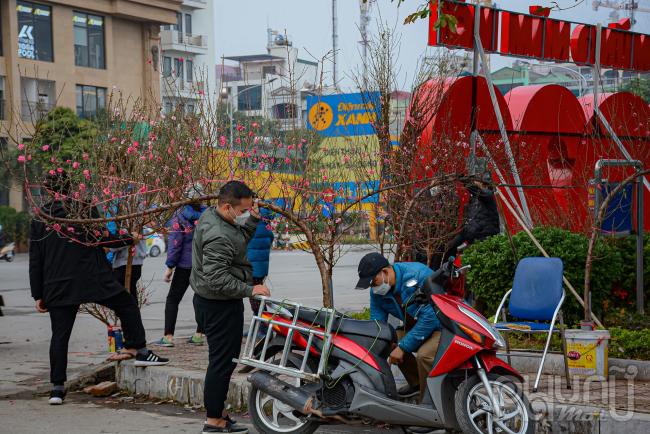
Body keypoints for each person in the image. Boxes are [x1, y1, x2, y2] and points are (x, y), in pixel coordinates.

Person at [29, 171, 169, 406]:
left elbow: (36, 259)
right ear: (70, 187)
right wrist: (128, 239)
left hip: (58, 284)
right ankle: (140, 349)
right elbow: (101, 238)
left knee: (60, 336)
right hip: (92, 278)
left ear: (47, 191)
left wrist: (39, 294)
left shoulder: (39, 218)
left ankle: (57, 388)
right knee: (126, 304)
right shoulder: (83, 208)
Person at [190, 180, 270, 434]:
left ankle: (218, 412)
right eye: (243, 210)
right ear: (227, 207)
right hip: (218, 306)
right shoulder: (217, 234)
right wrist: (250, 289)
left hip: (215, 302)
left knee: (222, 361)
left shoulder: (216, 217)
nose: (245, 213)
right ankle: (213, 420)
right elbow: (217, 279)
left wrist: (253, 221)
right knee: (221, 363)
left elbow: (237, 242)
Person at [355, 252, 442, 402]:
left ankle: (430, 400)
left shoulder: (417, 275)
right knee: (387, 343)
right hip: (417, 326)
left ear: (386, 272)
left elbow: (430, 319)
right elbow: (378, 326)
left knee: (424, 355)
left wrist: (402, 347)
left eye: (373, 281)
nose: (373, 287)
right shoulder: (377, 293)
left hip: (441, 326)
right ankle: (417, 385)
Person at [155, 196, 207, 347]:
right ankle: (199, 334)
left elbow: (175, 244)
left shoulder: (180, 216)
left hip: (185, 265)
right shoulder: (209, 216)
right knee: (201, 297)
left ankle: (168, 337)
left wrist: (170, 267)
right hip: (203, 264)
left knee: (173, 299)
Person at [441, 174, 500, 265]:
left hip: (482, 236)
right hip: (470, 232)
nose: (475, 182)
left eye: (477, 181)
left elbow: (478, 191)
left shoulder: (488, 195)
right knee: (449, 247)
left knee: (469, 259)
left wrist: (463, 180)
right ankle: (445, 270)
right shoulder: (475, 199)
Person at [245, 206, 274, 334]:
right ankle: (261, 326)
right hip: (262, 265)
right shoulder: (267, 224)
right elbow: (271, 239)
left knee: (255, 298)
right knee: (258, 297)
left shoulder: (252, 222)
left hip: (251, 265)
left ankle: (263, 328)